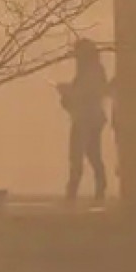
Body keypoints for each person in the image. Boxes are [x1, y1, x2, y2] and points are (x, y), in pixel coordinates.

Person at [57, 38, 111, 206]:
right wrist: (67, 96)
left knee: (80, 155)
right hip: (87, 119)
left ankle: (75, 192)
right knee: (88, 154)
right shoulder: (93, 71)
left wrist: (68, 94)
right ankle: (95, 189)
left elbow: (87, 95)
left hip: (87, 120)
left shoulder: (92, 72)